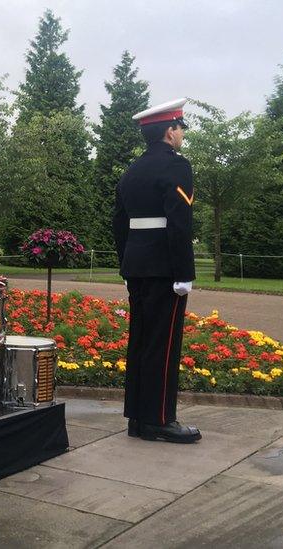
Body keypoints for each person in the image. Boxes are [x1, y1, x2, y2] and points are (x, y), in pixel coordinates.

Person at [113, 98, 201, 443]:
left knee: (141, 340)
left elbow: (120, 221)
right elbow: (179, 221)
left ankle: (138, 417)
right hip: (165, 266)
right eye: (180, 129)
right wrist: (184, 272)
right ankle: (160, 419)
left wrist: (126, 262)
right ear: (169, 131)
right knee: (163, 344)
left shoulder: (132, 170)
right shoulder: (177, 167)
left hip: (137, 266)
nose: (181, 135)